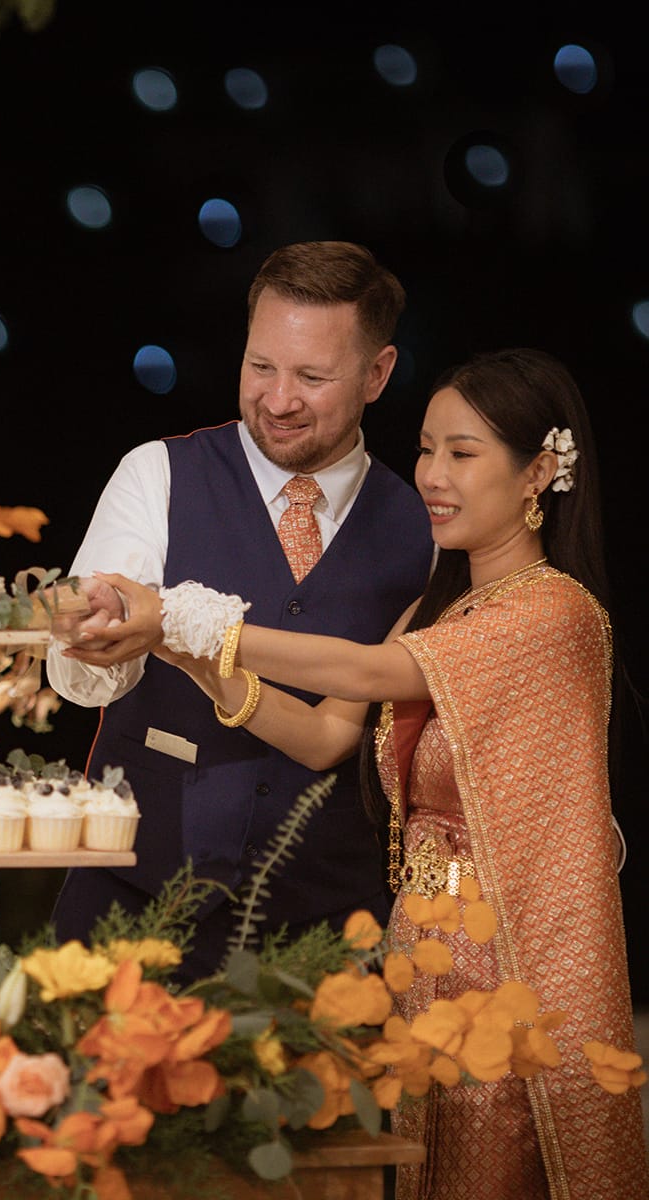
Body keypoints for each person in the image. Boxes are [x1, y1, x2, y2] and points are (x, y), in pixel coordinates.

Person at [91, 348, 645, 1197]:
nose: (431, 476)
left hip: (511, 970)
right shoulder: (441, 605)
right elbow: (320, 736)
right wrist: (186, 653)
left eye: (463, 454)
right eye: (425, 449)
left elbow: (363, 675)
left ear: (539, 470)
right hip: (421, 958)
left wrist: (188, 612)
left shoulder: (551, 610)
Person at [45, 242, 435, 977]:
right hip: (132, 900)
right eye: (261, 367)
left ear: (377, 374)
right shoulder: (156, 474)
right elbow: (80, 683)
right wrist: (88, 638)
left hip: (325, 935)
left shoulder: (423, 532)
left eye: (312, 377)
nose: (279, 399)